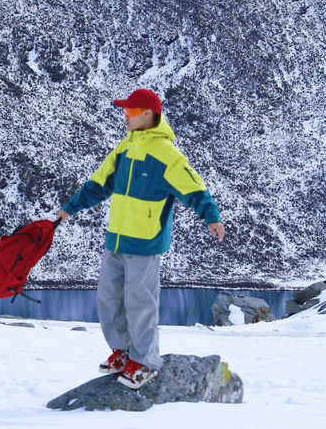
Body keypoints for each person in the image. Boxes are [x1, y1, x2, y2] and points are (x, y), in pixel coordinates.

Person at [56, 88, 224, 390]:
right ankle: (122, 353)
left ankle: (146, 362)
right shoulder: (123, 149)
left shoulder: (167, 154)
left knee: (140, 303)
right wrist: (70, 209)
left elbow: (194, 188)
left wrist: (210, 215)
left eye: (131, 112)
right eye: (125, 111)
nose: (126, 116)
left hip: (145, 243)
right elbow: (98, 184)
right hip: (116, 240)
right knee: (107, 299)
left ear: (149, 114)